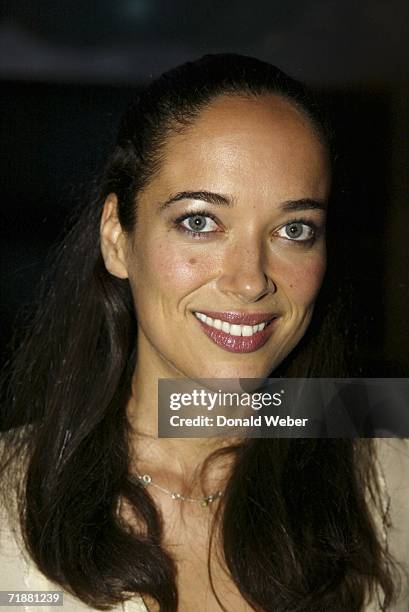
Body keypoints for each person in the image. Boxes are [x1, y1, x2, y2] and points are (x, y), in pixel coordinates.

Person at [0, 53, 408, 612]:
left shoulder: (386, 464)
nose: (249, 281)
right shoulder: (10, 493)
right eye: (200, 222)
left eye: (294, 229)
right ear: (118, 238)